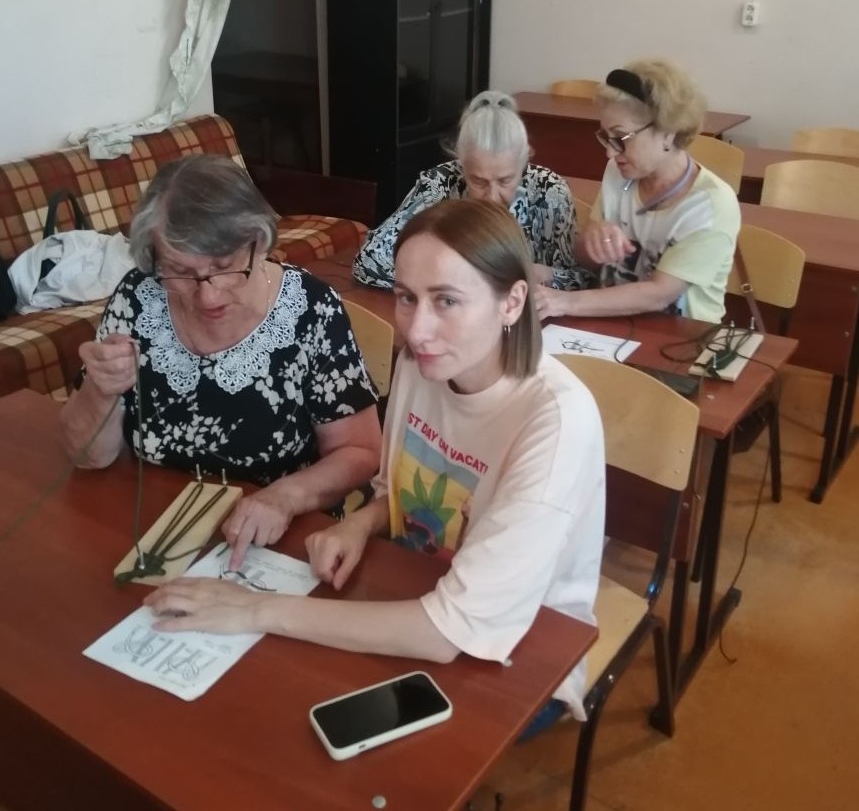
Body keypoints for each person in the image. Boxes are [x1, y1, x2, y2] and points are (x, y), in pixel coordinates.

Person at [145, 198, 606, 723]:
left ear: (512, 302)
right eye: (407, 297)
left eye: (447, 300)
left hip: (517, 651)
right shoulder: (423, 364)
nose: (417, 330)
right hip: (413, 587)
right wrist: (361, 524)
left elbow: (446, 633)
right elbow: (400, 492)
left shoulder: (555, 422)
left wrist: (254, 609)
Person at [59, 155, 381, 571]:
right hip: (157, 533)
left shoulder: (311, 310)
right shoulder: (137, 298)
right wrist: (99, 391)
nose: (208, 296)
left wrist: (285, 497)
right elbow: (88, 457)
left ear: (258, 242)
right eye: (179, 270)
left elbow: (361, 452)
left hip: (276, 542)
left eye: (224, 266)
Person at [534, 59, 740, 324]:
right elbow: (585, 259)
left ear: (667, 133)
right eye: (606, 138)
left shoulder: (710, 204)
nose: (610, 153)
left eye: (621, 138)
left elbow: (659, 295)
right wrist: (591, 241)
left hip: (682, 336)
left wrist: (562, 301)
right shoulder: (618, 172)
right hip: (613, 324)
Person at [353, 90, 594, 292]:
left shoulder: (549, 192)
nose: (492, 197)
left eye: (505, 180)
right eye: (478, 181)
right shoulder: (441, 184)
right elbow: (369, 261)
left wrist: (547, 274)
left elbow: (584, 279)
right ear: (461, 164)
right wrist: (454, 280)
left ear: (525, 160)